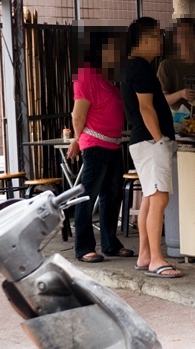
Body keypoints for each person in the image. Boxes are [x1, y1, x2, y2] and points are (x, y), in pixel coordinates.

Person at [121, 17, 182, 278]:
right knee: (159, 198)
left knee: (150, 197)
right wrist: (159, 140)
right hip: (149, 141)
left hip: (143, 141)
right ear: (144, 39)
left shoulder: (132, 66)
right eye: (157, 36)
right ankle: (157, 259)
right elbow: (146, 108)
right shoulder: (142, 69)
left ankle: (145, 255)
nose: (161, 41)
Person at [66, 31, 133, 263]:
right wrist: (77, 138)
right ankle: (84, 247)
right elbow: (78, 115)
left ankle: (110, 243)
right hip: (95, 145)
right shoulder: (86, 76)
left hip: (112, 144)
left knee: (111, 196)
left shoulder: (106, 78)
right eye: (113, 51)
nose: (117, 56)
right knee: (88, 196)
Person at [157, 18, 195, 112]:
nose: (185, 38)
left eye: (188, 34)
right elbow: (160, 101)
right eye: (181, 35)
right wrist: (180, 94)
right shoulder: (167, 65)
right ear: (176, 39)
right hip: (176, 121)